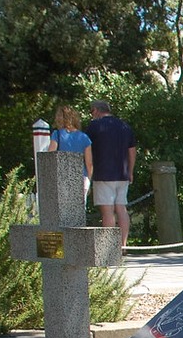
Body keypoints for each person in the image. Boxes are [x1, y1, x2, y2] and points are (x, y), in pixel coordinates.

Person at [86, 100, 136, 247]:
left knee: (107, 211)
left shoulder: (94, 126)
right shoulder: (124, 126)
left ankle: (109, 249)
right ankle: (123, 245)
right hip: (123, 174)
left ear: (96, 110)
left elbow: (87, 149)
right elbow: (132, 151)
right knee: (121, 208)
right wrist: (130, 171)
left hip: (103, 173)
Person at [47, 105, 93, 199]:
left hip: (62, 178)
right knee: (79, 210)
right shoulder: (84, 137)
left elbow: (50, 156)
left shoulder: (57, 135)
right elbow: (89, 163)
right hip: (81, 177)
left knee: (63, 210)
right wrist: (88, 179)